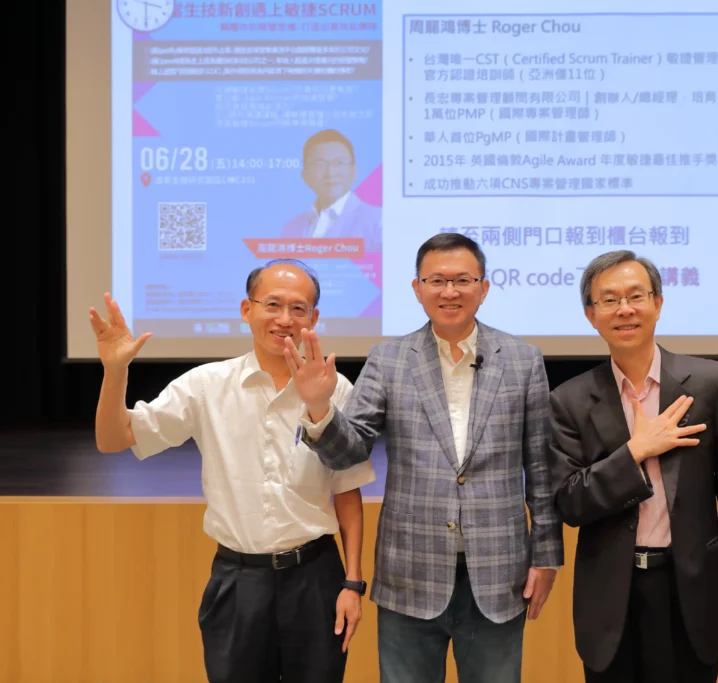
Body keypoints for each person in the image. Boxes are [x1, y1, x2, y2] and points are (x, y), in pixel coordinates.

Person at [285, 233, 565, 683]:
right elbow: (350, 449)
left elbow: (542, 467)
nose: (449, 291)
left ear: (484, 287)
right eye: (436, 280)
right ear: (417, 289)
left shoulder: (522, 360)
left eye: (462, 280)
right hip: (409, 575)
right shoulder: (389, 359)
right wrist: (320, 408)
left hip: (498, 573)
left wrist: (546, 556)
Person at [90, 259, 374, 683]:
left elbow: (347, 493)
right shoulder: (207, 385)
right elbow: (113, 439)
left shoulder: (337, 389)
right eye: (272, 304)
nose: (285, 319)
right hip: (238, 580)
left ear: (313, 318)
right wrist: (116, 371)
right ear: (246, 310)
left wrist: (353, 583)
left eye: (299, 309)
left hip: (316, 578)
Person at [548, 250, 718, 683]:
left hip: (689, 586)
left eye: (636, 295)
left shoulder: (712, 383)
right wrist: (633, 453)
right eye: (609, 299)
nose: (625, 309)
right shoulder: (570, 399)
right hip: (611, 595)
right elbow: (569, 502)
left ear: (658, 303)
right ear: (591, 314)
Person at [280, 129, 382, 252]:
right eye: (320, 164)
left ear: (354, 171)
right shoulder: (291, 228)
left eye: (339, 163)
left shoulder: (377, 220)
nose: (330, 172)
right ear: (305, 175)